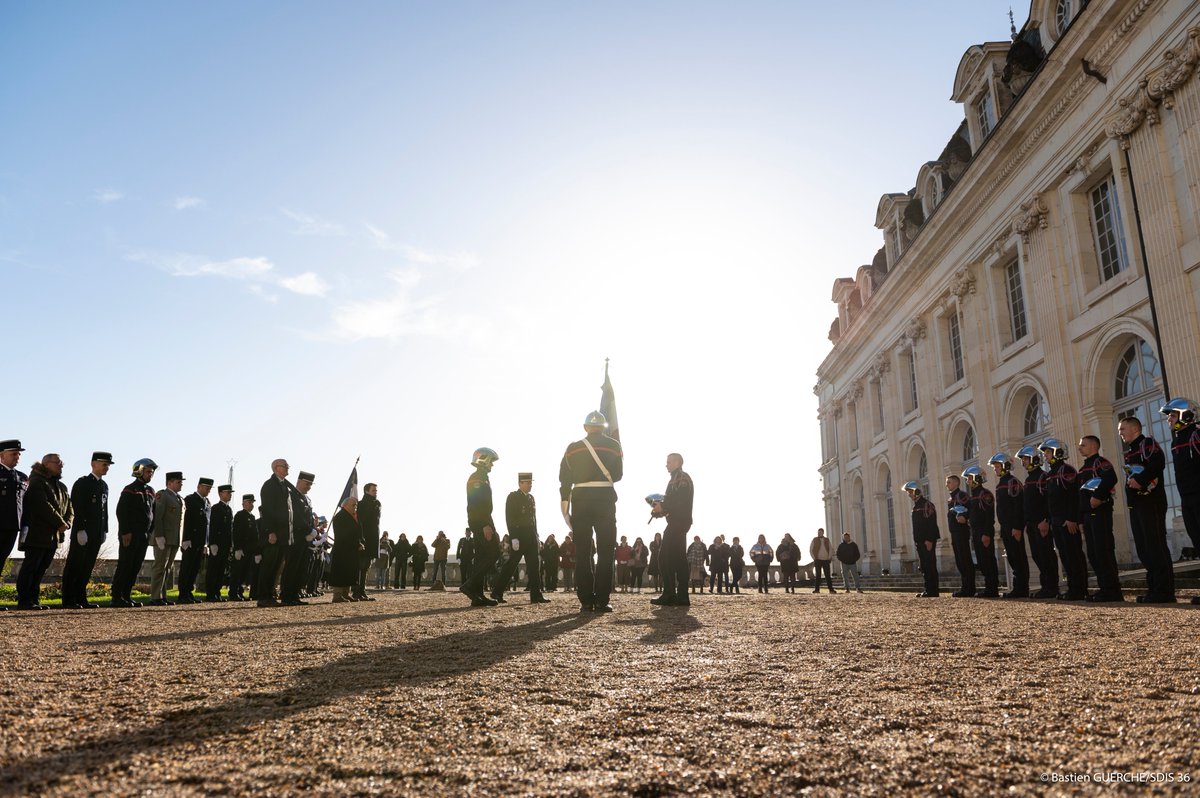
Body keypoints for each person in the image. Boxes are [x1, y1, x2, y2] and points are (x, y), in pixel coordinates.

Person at [559, 411, 624, 613]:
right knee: (605, 552)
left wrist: (565, 507)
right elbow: (619, 475)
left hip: (580, 501)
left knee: (584, 552)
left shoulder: (572, 448)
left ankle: (586, 600)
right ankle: (602, 600)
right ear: (603, 427)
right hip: (604, 499)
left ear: (586, 427)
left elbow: (564, 479)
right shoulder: (614, 445)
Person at [1119, 417, 1176, 603]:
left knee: (1155, 546)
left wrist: (1141, 480)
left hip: (1152, 502)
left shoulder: (1147, 443)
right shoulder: (1130, 451)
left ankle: (1165, 591)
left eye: (1122, 429)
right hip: (1136, 504)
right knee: (1144, 549)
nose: (1120, 433)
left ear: (1135, 428)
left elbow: (1158, 463)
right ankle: (1154, 589)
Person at [15, 453, 72, 609]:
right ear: (46, 464)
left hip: (53, 535)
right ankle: (24, 600)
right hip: (36, 533)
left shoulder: (61, 486)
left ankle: (34, 599)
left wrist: (67, 522)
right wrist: (60, 522)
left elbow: (69, 507)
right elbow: (42, 505)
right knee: (31, 566)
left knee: (41, 569)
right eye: (58, 463)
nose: (61, 465)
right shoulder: (36, 481)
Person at [61, 452, 114, 609]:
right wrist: (80, 529)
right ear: (94, 464)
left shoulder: (104, 486)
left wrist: (104, 529)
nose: (107, 468)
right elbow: (77, 507)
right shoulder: (82, 483)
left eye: (108, 465)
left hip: (97, 532)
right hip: (83, 532)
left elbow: (104, 510)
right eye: (104, 464)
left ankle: (81, 597)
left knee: (87, 566)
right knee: (75, 565)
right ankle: (69, 599)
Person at [1161, 399, 1200, 604]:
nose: (1169, 418)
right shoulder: (1176, 440)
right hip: (1187, 498)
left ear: (1185, 415)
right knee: (1197, 541)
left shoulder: (1197, 434)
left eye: (1172, 415)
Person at [1076, 436, 1122, 602]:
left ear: (1094, 446)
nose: (1079, 448)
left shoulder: (1100, 463)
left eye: (1083, 445)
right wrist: (1080, 519)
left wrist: (1098, 496)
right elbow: (1079, 496)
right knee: (1094, 553)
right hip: (1087, 515)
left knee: (1104, 551)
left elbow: (1111, 479)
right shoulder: (1083, 469)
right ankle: (1104, 588)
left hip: (1100, 512)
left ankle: (1112, 590)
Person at [1040, 439, 1086, 601]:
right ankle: (1073, 588)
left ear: (1057, 452)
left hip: (1068, 521)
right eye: (1045, 452)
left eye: (1047, 452)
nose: (1045, 455)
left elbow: (1074, 497)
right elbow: (1050, 501)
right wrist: (1049, 520)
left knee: (1074, 555)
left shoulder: (1067, 470)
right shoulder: (1050, 474)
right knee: (1065, 556)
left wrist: (1072, 518)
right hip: (1056, 521)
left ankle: (1079, 589)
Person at [493, 472, 550, 604]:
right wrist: (513, 537)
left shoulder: (531, 498)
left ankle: (536, 595)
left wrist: (537, 537)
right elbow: (509, 518)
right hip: (519, 538)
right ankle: (497, 592)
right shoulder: (513, 497)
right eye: (528, 483)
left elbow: (533, 520)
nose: (530, 485)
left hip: (531, 538)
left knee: (535, 567)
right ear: (520, 483)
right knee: (510, 566)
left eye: (531, 483)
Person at [649, 452, 694, 608]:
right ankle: (681, 596)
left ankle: (670, 594)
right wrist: (659, 512)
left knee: (664, 557)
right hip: (678, 521)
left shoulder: (682, 478)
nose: (666, 464)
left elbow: (679, 501)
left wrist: (664, 506)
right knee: (678, 558)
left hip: (678, 522)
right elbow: (673, 503)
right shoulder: (676, 479)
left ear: (677, 462)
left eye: (669, 462)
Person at [112, 457, 157, 608]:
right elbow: (121, 512)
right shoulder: (130, 489)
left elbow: (153, 513)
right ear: (139, 471)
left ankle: (126, 595)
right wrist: (125, 532)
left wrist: (150, 531)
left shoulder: (151, 491)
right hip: (130, 534)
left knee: (135, 566)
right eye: (148, 471)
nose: (150, 474)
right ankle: (117, 597)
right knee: (125, 564)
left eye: (152, 472)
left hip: (144, 535)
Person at [458, 447, 500, 606]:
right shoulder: (476, 478)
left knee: (482, 558)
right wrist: (484, 525)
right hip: (480, 522)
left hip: (483, 521)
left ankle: (477, 596)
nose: (492, 465)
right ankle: (469, 585)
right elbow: (476, 505)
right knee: (494, 553)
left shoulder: (482, 477)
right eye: (491, 461)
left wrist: (491, 525)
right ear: (484, 460)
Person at [1017, 445, 1058, 598]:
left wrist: (1046, 520)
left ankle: (1052, 587)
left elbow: (1049, 500)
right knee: (1037, 556)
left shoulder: (1043, 477)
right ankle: (1045, 586)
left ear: (1035, 459)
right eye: (1023, 460)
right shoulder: (1028, 479)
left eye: (1026, 459)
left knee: (1046, 555)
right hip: (1032, 524)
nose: (1023, 462)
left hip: (1042, 523)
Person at [988, 453, 1029, 599]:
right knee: (1012, 557)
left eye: (997, 466)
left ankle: (1022, 588)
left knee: (1018, 557)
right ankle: (1018, 587)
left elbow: (1018, 506)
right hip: (1006, 526)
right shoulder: (1002, 483)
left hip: (1013, 526)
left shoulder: (1012, 482)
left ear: (1005, 466)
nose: (995, 469)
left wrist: (1017, 526)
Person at [257, 458, 295, 608]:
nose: (287, 468)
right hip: (274, 533)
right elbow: (267, 510)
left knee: (277, 566)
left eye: (287, 465)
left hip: (284, 533)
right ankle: (263, 596)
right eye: (284, 466)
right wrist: (270, 531)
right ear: (275, 468)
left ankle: (270, 595)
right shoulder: (270, 485)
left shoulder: (285, 486)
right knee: (269, 566)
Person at [962, 467, 999, 598]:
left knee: (988, 560)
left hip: (984, 532)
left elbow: (988, 516)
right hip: (976, 532)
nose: (968, 481)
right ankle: (989, 587)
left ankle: (992, 588)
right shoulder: (974, 495)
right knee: (982, 561)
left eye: (970, 478)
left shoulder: (985, 494)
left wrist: (986, 533)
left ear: (977, 478)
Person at [149, 471, 185, 606]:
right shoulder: (162, 495)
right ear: (169, 483)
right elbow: (157, 516)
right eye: (178, 482)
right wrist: (158, 535)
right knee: (159, 567)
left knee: (167, 568)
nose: (181, 484)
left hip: (174, 538)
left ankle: (162, 596)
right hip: (163, 538)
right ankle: (155, 596)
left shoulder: (179, 499)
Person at [281, 471, 316, 605]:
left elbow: (308, 517)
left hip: (305, 538)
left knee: (301, 568)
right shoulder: (292, 496)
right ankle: (287, 596)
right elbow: (295, 517)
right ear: (299, 481)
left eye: (310, 485)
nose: (309, 487)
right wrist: (308, 530)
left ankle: (294, 594)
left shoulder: (306, 498)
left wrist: (312, 530)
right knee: (292, 567)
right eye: (307, 483)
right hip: (295, 536)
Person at [0, 440, 29, 601]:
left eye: (18, 454)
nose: (17, 457)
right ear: (1, 455)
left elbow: (25, 504)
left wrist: (25, 525)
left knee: (1, 560)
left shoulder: (22, 477)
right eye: (13, 454)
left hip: (13, 526)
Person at [177, 477, 213, 605]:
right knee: (187, 567)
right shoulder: (190, 500)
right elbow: (185, 520)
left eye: (209, 488)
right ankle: (182, 593)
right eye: (206, 487)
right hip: (190, 540)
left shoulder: (207, 503)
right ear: (199, 487)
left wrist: (206, 543)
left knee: (195, 568)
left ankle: (189, 592)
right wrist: (185, 538)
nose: (208, 490)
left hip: (200, 541)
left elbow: (207, 524)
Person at [904, 481, 939, 598]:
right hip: (920, 541)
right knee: (924, 566)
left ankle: (933, 590)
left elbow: (931, 523)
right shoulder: (916, 506)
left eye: (910, 492)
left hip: (927, 541)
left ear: (916, 491)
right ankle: (928, 589)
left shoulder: (927, 505)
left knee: (930, 565)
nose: (909, 494)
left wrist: (929, 539)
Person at [329, 496, 364, 602]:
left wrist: (359, 542)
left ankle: (345, 593)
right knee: (341, 572)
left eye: (356, 505)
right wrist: (356, 543)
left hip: (351, 550)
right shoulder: (340, 517)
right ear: (345, 505)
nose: (355, 507)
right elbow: (343, 534)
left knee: (349, 572)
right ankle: (337, 595)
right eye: (353, 505)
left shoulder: (352, 516)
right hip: (342, 550)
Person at [945, 474, 974, 597]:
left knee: (965, 559)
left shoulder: (962, 495)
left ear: (956, 483)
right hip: (955, 532)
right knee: (960, 560)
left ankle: (969, 588)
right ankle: (965, 587)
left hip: (961, 532)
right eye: (947, 482)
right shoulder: (951, 498)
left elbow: (969, 508)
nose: (947, 484)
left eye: (949, 482)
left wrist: (965, 517)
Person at [204, 484, 234, 602]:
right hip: (217, 543)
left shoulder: (228, 509)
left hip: (226, 544)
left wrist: (231, 544)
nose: (230, 495)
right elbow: (213, 526)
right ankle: (210, 594)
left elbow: (229, 529)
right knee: (213, 569)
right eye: (228, 493)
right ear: (220, 494)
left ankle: (216, 592)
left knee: (221, 570)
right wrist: (213, 543)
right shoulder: (216, 508)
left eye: (230, 493)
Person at [230, 493, 259, 601]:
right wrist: (237, 548)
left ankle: (240, 592)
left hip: (250, 549)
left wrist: (257, 551)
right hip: (241, 548)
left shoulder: (252, 517)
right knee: (237, 572)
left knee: (244, 573)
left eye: (252, 503)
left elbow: (255, 536)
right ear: (244, 503)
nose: (252, 505)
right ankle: (233, 593)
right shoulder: (240, 515)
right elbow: (236, 532)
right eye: (249, 502)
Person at [357, 482, 382, 599]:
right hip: (365, 538)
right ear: (366, 491)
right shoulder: (361, 504)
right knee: (361, 566)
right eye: (373, 490)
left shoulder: (377, 504)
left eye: (376, 491)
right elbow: (360, 523)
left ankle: (362, 591)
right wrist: (361, 539)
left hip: (373, 538)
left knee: (366, 566)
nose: (376, 492)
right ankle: (357, 591)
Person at [809, 528, 837, 594]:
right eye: (818, 532)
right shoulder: (814, 539)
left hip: (826, 560)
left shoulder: (827, 540)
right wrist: (814, 558)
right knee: (818, 575)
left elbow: (830, 549)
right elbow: (811, 549)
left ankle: (831, 589)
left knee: (828, 576)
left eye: (820, 532)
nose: (819, 533)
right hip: (818, 560)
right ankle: (817, 589)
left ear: (823, 533)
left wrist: (829, 558)